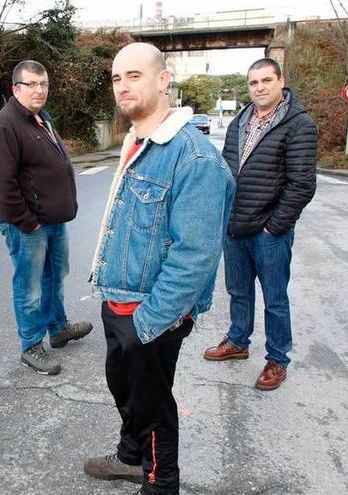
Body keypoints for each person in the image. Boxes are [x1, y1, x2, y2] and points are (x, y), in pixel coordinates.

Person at [84, 43, 235, 495]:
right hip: (119, 301)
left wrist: (148, 322)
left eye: (134, 75)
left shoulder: (194, 157)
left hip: (151, 314)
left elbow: (195, 255)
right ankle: (131, 456)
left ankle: (162, 482)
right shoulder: (140, 142)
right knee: (125, 391)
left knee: (151, 404)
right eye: (116, 78)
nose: (123, 86)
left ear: (164, 79)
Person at [203, 58, 317, 391]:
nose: (260, 87)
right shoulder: (241, 120)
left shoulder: (299, 124)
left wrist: (275, 227)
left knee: (274, 298)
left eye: (266, 80)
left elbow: (302, 185)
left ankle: (277, 359)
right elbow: (226, 170)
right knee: (238, 291)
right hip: (235, 226)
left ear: (281, 80)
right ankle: (238, 341)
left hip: (269, 231)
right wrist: (222, 215)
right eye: (253, 83)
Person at [0, 60, 93, 376]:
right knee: (29, 287)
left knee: (53, 277)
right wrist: (27, 220)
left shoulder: (38, 118)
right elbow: (0, 185)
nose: (39, 90)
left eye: (43, 84)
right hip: (28, 225)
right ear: (15, 88)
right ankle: (31, 346)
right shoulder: (5, 126)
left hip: (52, 221)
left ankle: (57, 329)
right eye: (31, 84)